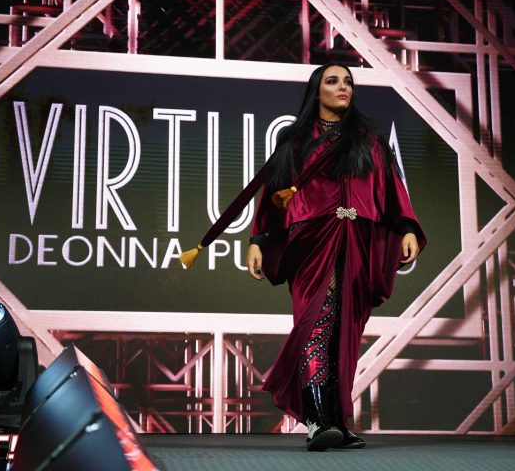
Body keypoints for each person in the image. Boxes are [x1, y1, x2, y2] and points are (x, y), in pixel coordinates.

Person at [180, 62, 426, 451]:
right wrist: (258, 239)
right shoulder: (295, 142)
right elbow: (273, 194)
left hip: (358, 241)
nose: (343, 87)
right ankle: (316, 420)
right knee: (316, 320)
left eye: (348, 82)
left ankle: (337, 421)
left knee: (344, 332)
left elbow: (392, 190)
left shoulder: (372, 142)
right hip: (311, 241)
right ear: (317, 90)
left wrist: (407, 228)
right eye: (333, 81)